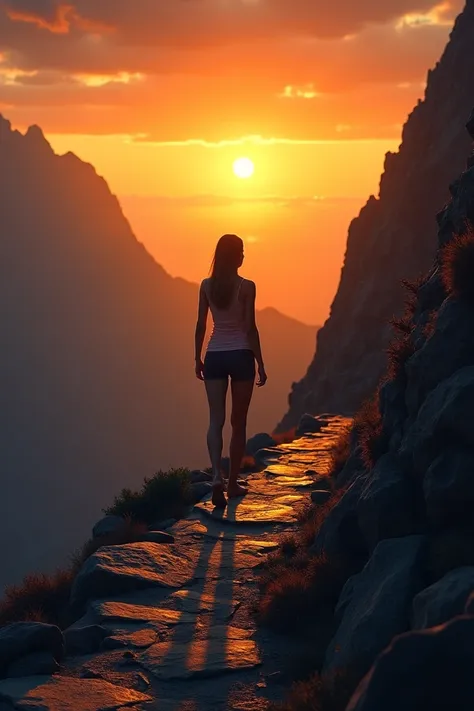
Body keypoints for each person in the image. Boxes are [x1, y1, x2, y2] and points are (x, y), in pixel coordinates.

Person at [194, 234, 267, 508]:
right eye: (242, 251)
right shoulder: (247, 287)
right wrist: (260, 362)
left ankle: (216, 477)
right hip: (240, 356)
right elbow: (250, 329)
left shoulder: (206, 286)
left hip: (214, 355)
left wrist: (196, 358)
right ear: (236, 256)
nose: (245, 256)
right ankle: (232, 483)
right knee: (239, 423)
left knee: (216, 420)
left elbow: (201, 324)